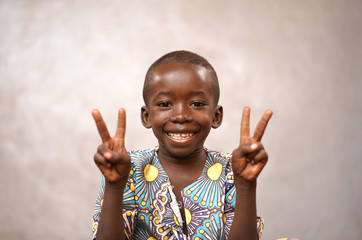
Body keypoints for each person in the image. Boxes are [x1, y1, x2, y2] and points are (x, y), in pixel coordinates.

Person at [91, 50, 273, 240]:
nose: (180, 116)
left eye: (196, 104)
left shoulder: (232, 170)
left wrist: (246, 185)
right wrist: (114, 186)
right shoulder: (128, 168)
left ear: (216, 116)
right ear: (147, 117)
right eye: (164, 104)